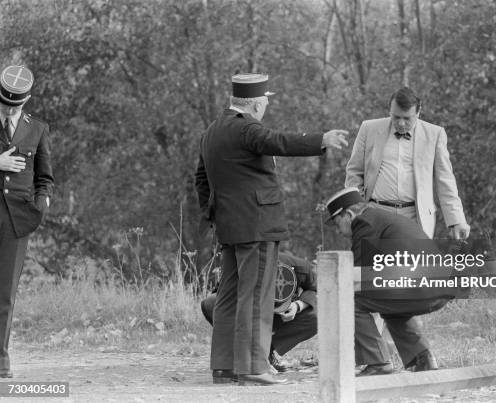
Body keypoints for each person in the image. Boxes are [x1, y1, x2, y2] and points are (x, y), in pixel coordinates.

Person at [194, 73, 347, 385]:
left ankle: (224, 367)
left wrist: (216, 214)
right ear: (255, 104)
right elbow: (276, 141)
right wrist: (320, 139)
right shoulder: (246, 126)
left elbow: (201, 178)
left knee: (229, 295)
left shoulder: (212, 131)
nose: (265, 106)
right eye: (264, 101)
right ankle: (253, 366)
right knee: (257, 295)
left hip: (231, 227)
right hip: (257, 225)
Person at [324, 187, 455, 376]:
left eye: (337, 223)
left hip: (421, 288)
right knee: (389, 303)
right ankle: (422, 358)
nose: (338, 231)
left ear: (349, 214)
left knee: (348, 298)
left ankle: (377, 362)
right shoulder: (381, 219)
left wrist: (327, 275)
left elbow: (357, 278)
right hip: (438, 288)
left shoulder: (364, 223)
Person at [345, 87, 470, 240]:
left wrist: (456, 220)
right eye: (396, 117)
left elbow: (445, 181)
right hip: (375, 213)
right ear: (389, 110)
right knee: (373, 263)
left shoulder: (434, 134)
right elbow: (354, 172)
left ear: (418, 112)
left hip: (415, 217)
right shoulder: (369, 128)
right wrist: (358, 209)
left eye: (407, 118)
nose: (401, 123)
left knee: (411, 264)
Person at [0, 65, 53, 378]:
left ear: (27, 100)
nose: (8, 110)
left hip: (17, 219)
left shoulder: (38, 128)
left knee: (5, 292)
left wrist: (41, 204)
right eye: (4, 104)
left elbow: (45, 177)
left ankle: (1, 361)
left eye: (14, 106)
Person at [201, 251, 317, 379]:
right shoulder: (241, 266)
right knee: (211, 302)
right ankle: (243, 355)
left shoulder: (301, 268)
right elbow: (221, 298)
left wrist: (298, 305)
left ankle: (267, 353)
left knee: (315, 317)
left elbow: (315, 289)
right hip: (246, 313)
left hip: (281, 314)